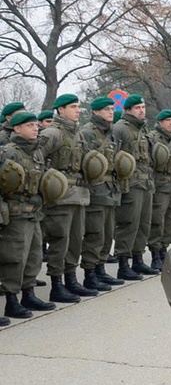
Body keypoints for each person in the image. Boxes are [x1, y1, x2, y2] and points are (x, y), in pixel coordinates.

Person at [39, 94, 98, 302]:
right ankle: (57, 285)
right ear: (60, 110)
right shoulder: (52, 133)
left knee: (75, 239)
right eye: (73, 107)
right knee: (60, 240)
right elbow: (37, 159)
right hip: (59, 197)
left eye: (78, 107)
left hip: (79, 195)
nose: (77, 110)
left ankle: (71, 280)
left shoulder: (78, 134)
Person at [0, 111, 56, 320]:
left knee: (33, 256)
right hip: (15, 214)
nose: (35, 128)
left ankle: (28, 294)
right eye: (30, 125)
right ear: (16, 129)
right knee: (15, 257)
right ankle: (12, 300)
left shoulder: (37, 152)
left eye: (36, 125)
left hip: (34, 213)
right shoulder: (8, 153)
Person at [77, 97, 125, 290]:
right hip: (96, 189)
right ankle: (90, 273)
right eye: (106, 109)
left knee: (107, 234)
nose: (111, 112)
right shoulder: (88, 132)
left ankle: (100, 269)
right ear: (96, 112)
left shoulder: (111, 132)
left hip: (110, 189)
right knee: (95, 233)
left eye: (112, 109)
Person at [113, 94, 158, 279]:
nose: (142, 110)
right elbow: (114, 156)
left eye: (143, 107)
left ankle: (138, 260)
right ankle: (123, 263)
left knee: (144, 223)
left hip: (146, 181)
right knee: (129, 222)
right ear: (128, 110)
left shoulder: (143, 129)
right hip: (131, 182)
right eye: (138, 107)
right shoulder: (120, 129)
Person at [147, 109, 171, 271]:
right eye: (168, 120)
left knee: (170, 220)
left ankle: (163, 250)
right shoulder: (154, 138)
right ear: (160, 122)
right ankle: (155, 254)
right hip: (160, 185)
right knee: (157, 220)